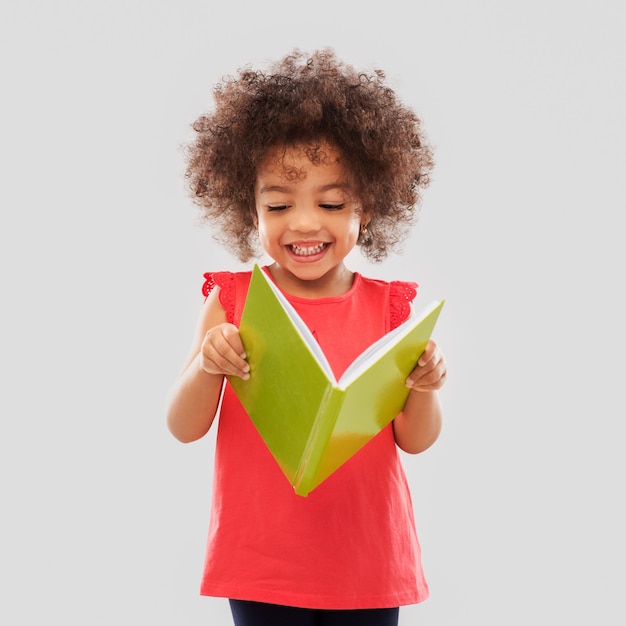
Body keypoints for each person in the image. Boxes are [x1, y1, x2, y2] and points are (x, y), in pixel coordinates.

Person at [166, 48, 447, 626]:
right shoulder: (237, 299)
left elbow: (414, 442)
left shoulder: (390, 308)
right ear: (250, 207)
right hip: (263, 561)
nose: (304, 223)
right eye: (278, 204)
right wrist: (208, 366)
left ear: (365, 208)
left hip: (368, 562)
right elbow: (183, 426)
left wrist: (425, 385)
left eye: (332, 202)